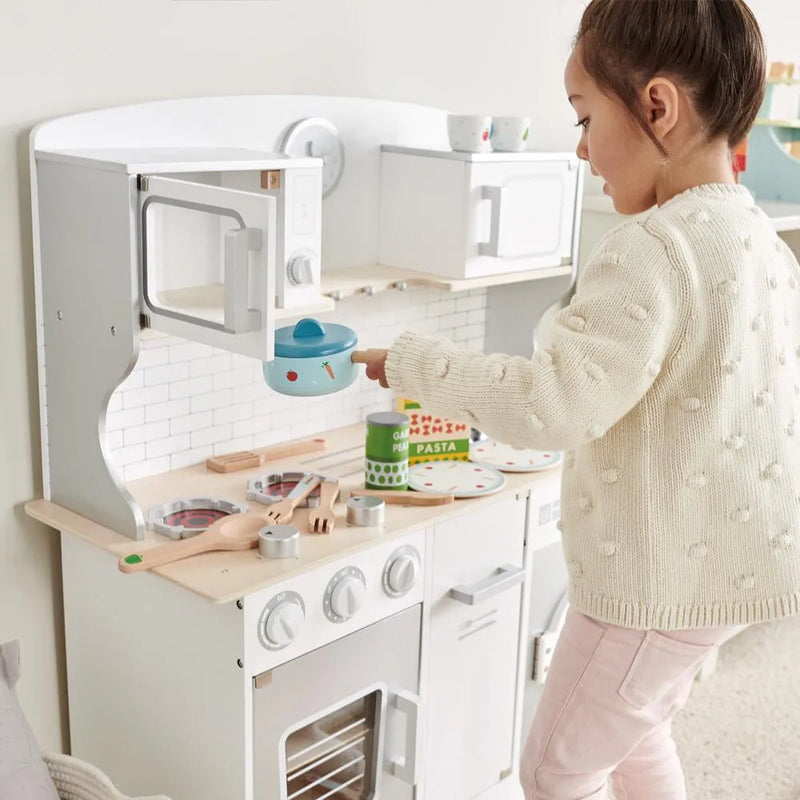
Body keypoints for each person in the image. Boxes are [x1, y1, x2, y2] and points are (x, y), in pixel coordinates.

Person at [362, 0, 800, 797]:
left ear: (657, 107)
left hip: (654, 586)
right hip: (733, 571)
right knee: (636, 734)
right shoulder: (763, 243)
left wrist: (415, 365)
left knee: (557, 767)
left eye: (585, 117)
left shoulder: (653, 249)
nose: (581, 148)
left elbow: (551, 407)